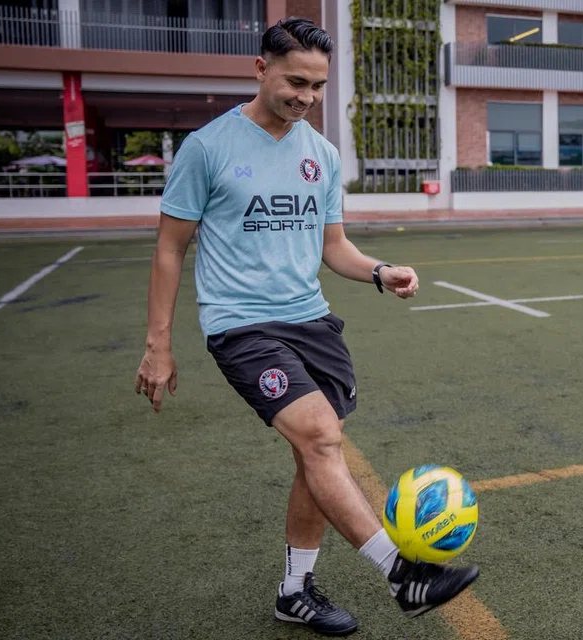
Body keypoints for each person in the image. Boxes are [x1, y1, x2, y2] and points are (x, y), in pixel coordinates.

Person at [134, 17, 479, 636]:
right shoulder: (208, 148)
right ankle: (403, 573)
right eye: (296, 81)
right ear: (261, 68)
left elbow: (335, 247)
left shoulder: (320, 154)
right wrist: (158, 345)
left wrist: (379, 271)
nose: (306, 97)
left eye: (317, 87)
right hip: (242, 326)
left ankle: (295, 591)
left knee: (313, 457)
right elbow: (169, 248)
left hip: (313, 323)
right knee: (320, 438)